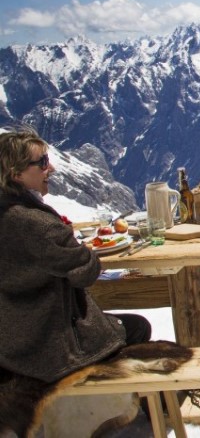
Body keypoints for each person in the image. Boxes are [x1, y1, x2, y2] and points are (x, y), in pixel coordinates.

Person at [0, 127, 151, 384]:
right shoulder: (35, 224)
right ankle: (153, 412)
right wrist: (76, 245)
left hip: (10, 344)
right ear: (16, 174)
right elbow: (86, 271)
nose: (52, 169)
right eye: (42, 163)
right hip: (47, 348)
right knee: (138, 327)